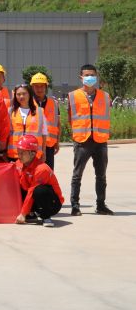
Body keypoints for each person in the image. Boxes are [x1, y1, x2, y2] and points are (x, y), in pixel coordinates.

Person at [68, 64, 113, 216]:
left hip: (100, 141)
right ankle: (75, 205)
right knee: (77, 175)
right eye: (87, 75)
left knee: (101, 175)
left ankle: (101, 205)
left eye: (92, 75)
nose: (90, 78)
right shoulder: (73, 96)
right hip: (82, 141)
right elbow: (70, 117)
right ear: (81, 77)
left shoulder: (105, 96)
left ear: (96, 76)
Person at [14, 134, 64, 228]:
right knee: (15, 185)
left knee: (39, 190)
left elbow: (31, 191)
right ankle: (31, 214)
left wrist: (23, 214)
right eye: (18, 152)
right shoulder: (19, 163)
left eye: (22, 153)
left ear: (32, 154)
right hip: (36, 199)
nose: (19, 155)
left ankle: (46, 216)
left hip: (53, 203)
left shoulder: (41, 169)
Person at [7, 84, 47, 164]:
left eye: (24, 93)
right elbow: (6, 133)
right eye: (18, 94)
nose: (21, 96)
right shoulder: (10, 111)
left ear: (29, 94)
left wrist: (44, 152)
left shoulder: (39, 111)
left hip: (33, 154)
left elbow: (44, 133)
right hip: (16, 154)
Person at [30, 72, 60, 170]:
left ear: (46, 87)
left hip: (49, 144)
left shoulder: (54, 103)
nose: (39, 89)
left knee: (48, 171)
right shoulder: (28, 103)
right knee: (32, 172)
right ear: (32, 87)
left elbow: (58, 123)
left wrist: (57, 142)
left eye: (42, 86)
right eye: (36, 86)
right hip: (33, 144)